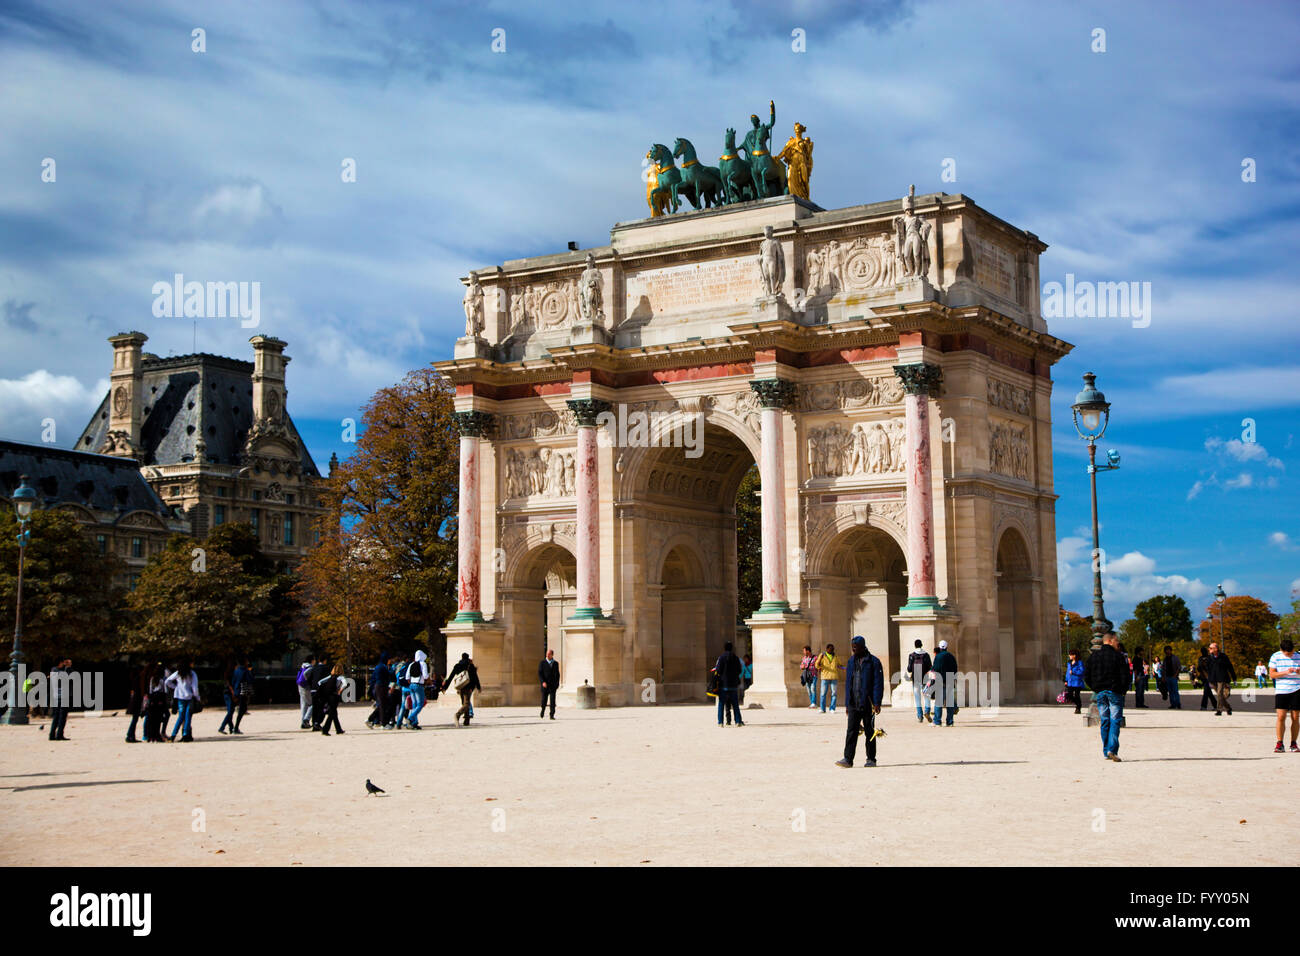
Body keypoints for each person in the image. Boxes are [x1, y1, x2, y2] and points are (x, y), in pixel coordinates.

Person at [835, 636, 884, 768]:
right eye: (852, 648)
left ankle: (871, 759)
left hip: (868, 703)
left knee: (869, 732)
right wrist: (847, 703)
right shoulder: (851, 661)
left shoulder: (874, 662)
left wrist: (877, 702)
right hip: (853, 703)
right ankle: (848, 759)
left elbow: (878, 683)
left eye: (855, 647)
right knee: (851, 731)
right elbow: (848, 684)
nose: (853, 650)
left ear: (863, 647)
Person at [1084, 632, 1131, 761]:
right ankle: (1112, 750)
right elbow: (1126, 675)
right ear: (1110, 641)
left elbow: (1086, 675)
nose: (1118, 643)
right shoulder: (1118, 656)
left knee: (1105, 721)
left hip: (1100, 692)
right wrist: (1123, 690)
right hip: (1115, 691)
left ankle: (1106, 751)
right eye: (1117, 641)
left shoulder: (1094, 656)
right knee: (1115, 720)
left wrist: (1095, 687)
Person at [1268, 638, 1300, 753]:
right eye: (1288, 654)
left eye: (1292, 653)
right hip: (1282, 690)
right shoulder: (1275, 656)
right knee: (1281, 717)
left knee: (1295, 717)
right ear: (1282, 650)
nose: (1290, 655)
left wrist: (1298, 671)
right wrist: (1286, 672)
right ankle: (1280, 743)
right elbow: (1271, 674)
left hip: (1297, 689)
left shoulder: (1299, 655)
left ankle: (1293, 743)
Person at [165, 662, 200, 742]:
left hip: (180, 697)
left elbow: (167, 681)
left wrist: (175, 687)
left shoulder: (178, 673)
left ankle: (173, 735)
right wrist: (197, 698)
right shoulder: (192, 674)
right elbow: (195, 687)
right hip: (189, 697)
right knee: (188, 717)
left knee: (180, 717)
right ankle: (185, 734)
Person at [444, 653, 481, 726]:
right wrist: (478, 687)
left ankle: (467, 720)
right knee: (466, 704)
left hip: (460, 687)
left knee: (464, 703)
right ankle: (457, 715)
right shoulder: (470, 666)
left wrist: (445, 687)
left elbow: (451, 677)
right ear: (468, 658)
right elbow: (475, 678)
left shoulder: (458, 665)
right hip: (468, 687)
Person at [714, 642, 745, 727]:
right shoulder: (736, 658)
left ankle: (720, 722)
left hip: (723, 684)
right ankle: (738, 721)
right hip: (733, 684)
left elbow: (719, 670)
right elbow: (739, 670)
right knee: (735, 705)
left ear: (724, 648)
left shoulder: (721, 658)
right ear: (732, 648)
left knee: (721, 704)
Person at [932, 640, 959, 726]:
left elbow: (935, 669)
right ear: (947, 647)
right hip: (950, 682)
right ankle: (950, 722)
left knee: (939, 703)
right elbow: (955, 670)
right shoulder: (951, 656)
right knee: (950, 704)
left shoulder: (938, 657)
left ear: (940, 647)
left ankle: (937, 721)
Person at [906, 639, 932, 723]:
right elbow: (930, 667)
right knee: (926, 695)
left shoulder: (912, 655)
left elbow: (909, 669)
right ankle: (927, 711)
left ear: (915, 645)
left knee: (917, 698)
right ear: (922, 645)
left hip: (915, 679)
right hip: (925, 678)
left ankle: (920, 715)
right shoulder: (926, 655)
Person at [1206, 642, 1236, 716]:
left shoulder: (1223, 656)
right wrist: (1209, 679)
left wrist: (1234, 678)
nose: (1209, 649)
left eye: (1210, 648)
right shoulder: (1209, 658)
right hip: (1213, 679)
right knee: (1220, 696)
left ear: (1216, 649)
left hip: (1222, 678)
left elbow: (1230, 667)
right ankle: (1228, 708)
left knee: (1219, 694)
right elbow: (1208, 669)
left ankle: (1219, 710)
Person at [317, 663, 347, 736]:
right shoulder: (341, 677)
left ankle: (338, 729)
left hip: (328, 696)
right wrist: (340, 690)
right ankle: (325, 729)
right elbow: (345, 684)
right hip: (335, 696)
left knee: (334, 713)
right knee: (331, 714)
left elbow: (319, 682)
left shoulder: (331, 676)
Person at [48, 658, 73, 741]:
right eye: (63, 662)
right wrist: (68, 667)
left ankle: (52, 735)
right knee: (62, 717)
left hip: (56, 697)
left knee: (56, 717)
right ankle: (59, 735)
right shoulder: (57, 671)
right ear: (60, 663)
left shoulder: (53, 670)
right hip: (62, 697)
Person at [405, 650, 430, 729]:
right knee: (420, 704)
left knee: (414, 705)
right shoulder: (423, 664)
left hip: (411, 685)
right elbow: (425, 676)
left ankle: (414, 723)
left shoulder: (411, 664)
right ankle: (410, 718)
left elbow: (407, 677)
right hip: (419, 686)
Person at [816, 643, 843, 713]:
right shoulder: (822, 655)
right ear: (827, 649)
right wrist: (820, 659)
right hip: (825, 677)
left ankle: (832, 708)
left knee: (834, 693)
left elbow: (839, 665)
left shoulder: (835, 656)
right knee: (823, 694)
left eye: (833, 649)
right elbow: (817, 665)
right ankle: (822, 709)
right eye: (830, 649)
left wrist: (844, 668)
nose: (832, 650)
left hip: (834, 677)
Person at [144, 664, 168, 742]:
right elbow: (164, 691)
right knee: (158, 719)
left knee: (152, 719)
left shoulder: (152, 679)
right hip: (160, 700)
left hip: (153, 700)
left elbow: (150, 691)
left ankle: (151, 736)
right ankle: (157, 736)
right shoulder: (162, 680)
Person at [366, 653, 391, 728]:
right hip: (382, 686)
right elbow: (386, 677)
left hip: (378, 686)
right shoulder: (383, 667)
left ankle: (371, 719)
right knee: (383, 705)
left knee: (382, 704)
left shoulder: (378, 666)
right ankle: (383, 724)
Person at [232, 657, 253, 733]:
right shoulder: (246, 671)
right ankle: (236, 727)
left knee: (234, 709)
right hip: (243, 691)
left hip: (236, 691)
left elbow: (233, 681)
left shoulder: (236, 670)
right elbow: (249, 681)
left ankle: (231, 726)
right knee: (242, 710)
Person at [124, 665, 144, 743]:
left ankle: (131, 735)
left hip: (134, 701)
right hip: (136, 702)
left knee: (134, 719)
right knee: (135, 719)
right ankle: (130, 735)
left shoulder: (134, 679)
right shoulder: (138, 679)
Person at [218, 659, 238, 735]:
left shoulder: (228, 673)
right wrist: (234, 693)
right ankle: (222, 727)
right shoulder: (231, 674)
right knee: (230, 711)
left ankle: (231, 728)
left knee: (231, 711)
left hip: (227, 693)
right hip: (229, 694)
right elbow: (230, 686)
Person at [538, 648, 559, 720]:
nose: (547, 655)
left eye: (549, 654)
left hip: (553, 685)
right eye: (547, 654)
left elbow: (557, 675)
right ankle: (543, 710)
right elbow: (540, 674)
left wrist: (557, 684)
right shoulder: (542, 663)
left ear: (552, 655)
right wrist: (542, 682)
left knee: (552, 701)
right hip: (545, 685)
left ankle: (552, 715)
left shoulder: (555, 663)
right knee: (544, 700)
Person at [1064, 649, 1085, 714]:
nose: (1069, 656)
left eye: (1070, 654)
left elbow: (1082, 671)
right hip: (1070, 682)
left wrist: (1073, 672)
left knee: (1077, 695)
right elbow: (1068, 672)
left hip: (1077, 682)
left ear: (1074, 655)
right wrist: (1066, 680)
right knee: (1069, 695)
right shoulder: (1069, 663)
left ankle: (1078, 708)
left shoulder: (1079, 662)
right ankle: (1078, 705)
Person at [295, 657, 314, 729]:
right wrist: (308, 681)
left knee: (304, 705)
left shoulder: (302, 666)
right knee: (312, 704)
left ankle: (303, 723)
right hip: (306, 686)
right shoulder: (310, 667)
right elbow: (305, 674)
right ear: (312, 660)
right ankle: (306, 719)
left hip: (300, 686)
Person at [1196, 647, 1217, 711]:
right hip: (1203, 677)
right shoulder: (1200, 658)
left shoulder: (1210, 658)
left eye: (1204, 651)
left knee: (1206, 692)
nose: (1204, 652)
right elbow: (1199, 668)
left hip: (1209, 677)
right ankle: (1216, 705)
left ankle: (1204, 706)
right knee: (1209, 693)